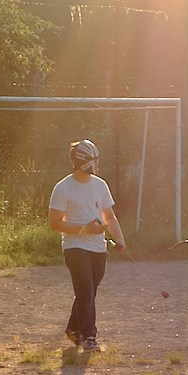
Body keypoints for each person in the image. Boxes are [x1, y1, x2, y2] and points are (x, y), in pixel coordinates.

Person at [48, 140, 125, 353]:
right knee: (86, 291)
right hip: (74, 246)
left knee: (88, 293)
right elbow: (55, 223)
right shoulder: (63, 188)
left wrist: (119, 238)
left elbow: (109, 216)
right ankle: (90, 336)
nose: (96, 164)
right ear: (81, 161)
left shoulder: (100, 185)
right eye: (92, 160)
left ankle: (73, 329)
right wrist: (84, 229)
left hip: (98, 248)